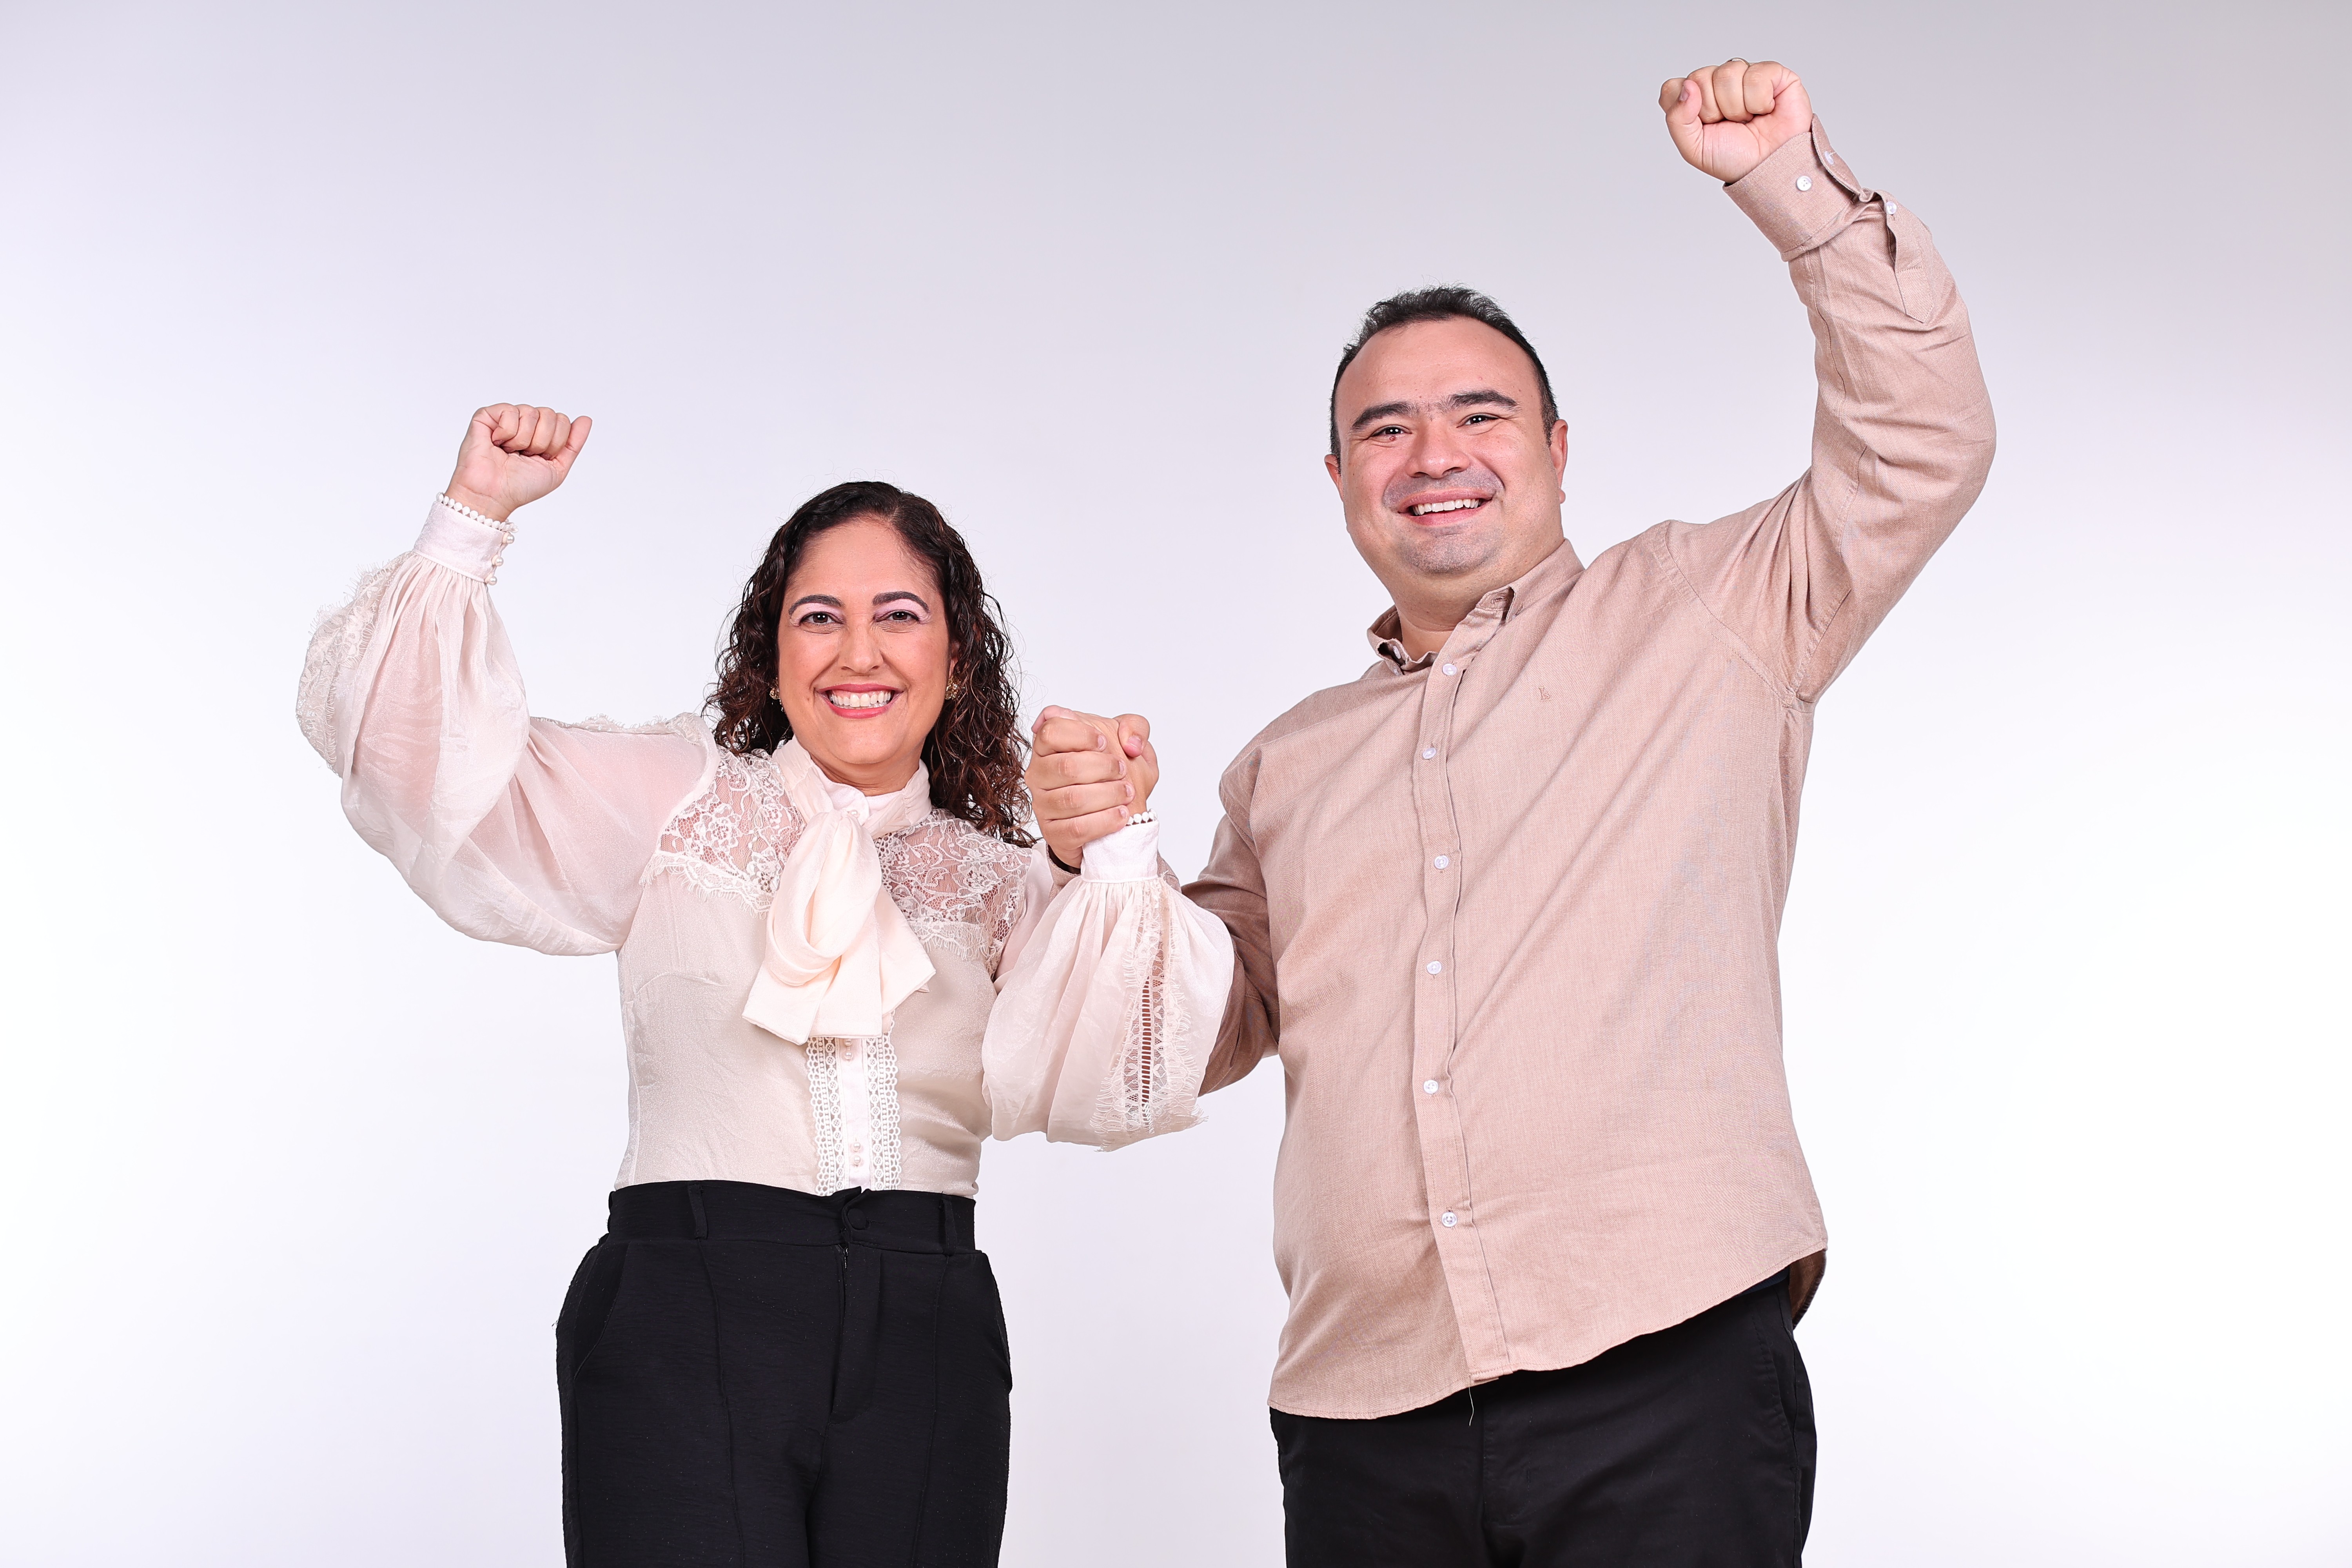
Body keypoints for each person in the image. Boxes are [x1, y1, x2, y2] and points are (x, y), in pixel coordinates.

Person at [1030, 58, 1994, 1565]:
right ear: (1340, 477)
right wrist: (1102, 863)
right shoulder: (1285, 764)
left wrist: (1791, 187)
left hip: (1661, 1371)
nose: (1435, 458)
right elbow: (1198, 1032)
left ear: (1555, 452)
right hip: (1362, 1417)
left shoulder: (1711, 608)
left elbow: (1923, 444)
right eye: (1388, 429)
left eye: (1481, 415)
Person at [296, 407, 1233, 1567]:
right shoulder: (678, 801)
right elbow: (411, 759)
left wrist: (1116, 843)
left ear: (955, 654)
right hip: (686, 1305)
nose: (859, 653)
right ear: (772, 651)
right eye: (819, 617)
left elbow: (1130, 1070)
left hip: (927, 1316)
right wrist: (472, 515)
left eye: (900, 616)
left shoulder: (1004, 884)